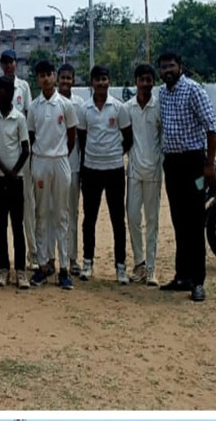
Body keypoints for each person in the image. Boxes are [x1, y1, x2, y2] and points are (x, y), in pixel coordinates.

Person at [157, 52, 216, 302]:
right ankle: (182, 276)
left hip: (194, 165)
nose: (167, 70)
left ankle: (198, 281)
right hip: (172, 165)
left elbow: (212, 127)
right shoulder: (162, 93)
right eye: (163, 67)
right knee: (179, 221)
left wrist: (209, 164)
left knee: (194, 221)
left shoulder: (193, 90)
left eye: (171, 66)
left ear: (180, 67)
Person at [77, 65, 133, 284]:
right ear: (91, 83)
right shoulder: (85, 109)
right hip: (91, 170)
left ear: (109, 81)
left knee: (117, 219)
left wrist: (115, 153)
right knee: (89, 219)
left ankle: (121, 267)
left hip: (114, 170)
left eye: (104, 79)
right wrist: (90, 160)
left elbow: (128, 138)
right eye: (97, 79)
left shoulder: (118, 108)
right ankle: (87, 263)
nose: (101, 83)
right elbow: (82, 139)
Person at [27, 61, 79, 289]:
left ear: (54, 77)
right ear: (38, 79)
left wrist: (60, 154)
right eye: (42, 75)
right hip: (40, 162)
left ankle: (64, 268)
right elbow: (31, 136)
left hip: (60, 161)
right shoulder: (33, 106)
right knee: (41, 214)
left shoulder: (66, 105)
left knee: (61, 214)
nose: (46, 79)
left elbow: (71, 136)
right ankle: (43, 265)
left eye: (49, 74)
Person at [0, 49, 35, 271]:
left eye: (11, 62)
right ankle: (1, 261)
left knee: (24, 213)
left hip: (20, 162)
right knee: (0, 220)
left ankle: (30, 256)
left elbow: (27, 116)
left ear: (16, 63)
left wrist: (17, 167)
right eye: (5, 62)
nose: (8, 65)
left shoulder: (23, 87)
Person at [0, 76, 30, 289]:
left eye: (4, 90)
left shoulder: (19, 118)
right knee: (1, 225)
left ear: (12, 94)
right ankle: (4, 268)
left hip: (16, 179)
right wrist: (5, 171)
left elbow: (25, 149)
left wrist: (14, 172)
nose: (0, 94)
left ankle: (20, 270)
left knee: (17, 225)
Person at [126, 64, 162, 286]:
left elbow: (163, 138)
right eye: (142, 79)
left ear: (153, 82)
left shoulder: (159, 107)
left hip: (154, 172)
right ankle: (139, 263)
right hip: (133, 171)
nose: (145, 84)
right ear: (136, 81)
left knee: (152, 220)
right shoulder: (128, 107)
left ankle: (151, 268)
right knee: (132, 217)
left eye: (149, 80)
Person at [56, 63, 84, 276]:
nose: (65, 81)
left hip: (73, 167)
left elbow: (81, 138)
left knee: (71, 213)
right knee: (52, 212)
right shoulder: (50, 102)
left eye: (69, 78)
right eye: (62, 77)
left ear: (73, 80)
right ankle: (50, 258)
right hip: (52, 167)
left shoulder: (79, 104)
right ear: (57, 79)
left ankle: (72, 258)